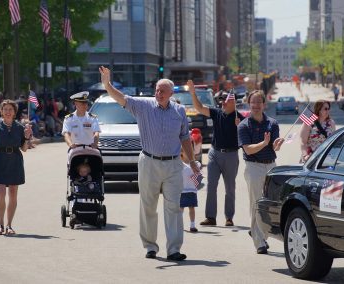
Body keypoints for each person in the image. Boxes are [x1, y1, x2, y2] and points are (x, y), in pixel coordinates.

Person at [99, 66, 199, 261]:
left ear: (171, 93)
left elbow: (185, 137)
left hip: (172, 165)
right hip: (149, 162)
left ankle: (174, 250)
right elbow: (121, 98)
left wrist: (193, 161)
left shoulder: (179, 111)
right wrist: (107, 84)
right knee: (148, 206)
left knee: (174, 208)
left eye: (163, 91)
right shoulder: (143, 106)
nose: (158, 93)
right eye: (157, 90)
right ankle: (150, 246)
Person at [187, 80, 245, 227]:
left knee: (230, 188)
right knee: (211, 185)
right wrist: (193, 93)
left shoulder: (241, 119)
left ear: (233, 102)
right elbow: (199, 107)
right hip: (214, 153)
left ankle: (229, 217)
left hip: (231, 155)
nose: (223, 103)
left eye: (226, 100)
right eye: (222, 100)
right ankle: (210, 217)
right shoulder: (216, 113)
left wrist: (241, 127)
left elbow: (248, 136)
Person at [237, 90, 284, 254]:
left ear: (264, 104)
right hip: (254, 167)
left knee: (271, 203)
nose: (256, 105)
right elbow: (248, 150)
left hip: (271, 166)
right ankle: (259, 242)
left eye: (259, 102)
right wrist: (264, 143)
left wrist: (277, 143)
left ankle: (259, 232)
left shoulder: (272, 123)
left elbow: (274, 147)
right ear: (249, 104)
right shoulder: (244, 125)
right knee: (256, 203)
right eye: (253, 102)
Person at [0, 99, 33, 235]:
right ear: (1, 111)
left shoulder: (19, 127)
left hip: (15, 161)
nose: (8, 112)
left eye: (10, 110)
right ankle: (0, 224)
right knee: (1, 193)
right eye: (5, 109)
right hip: (0, 160)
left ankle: (9, 225)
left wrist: (27, 137)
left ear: (14, 112)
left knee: (13, 193)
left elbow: (24, 149)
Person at [180, 147, 201, 233]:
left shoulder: (196, 163)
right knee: (180, 209)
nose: (189, 153)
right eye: (186, 151)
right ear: (181, 153)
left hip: (192, 190)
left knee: (191, 208)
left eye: (191, 151)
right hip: (181, 191)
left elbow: (198, 172)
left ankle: (192, 225)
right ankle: (179, 225)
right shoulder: (179, 164)